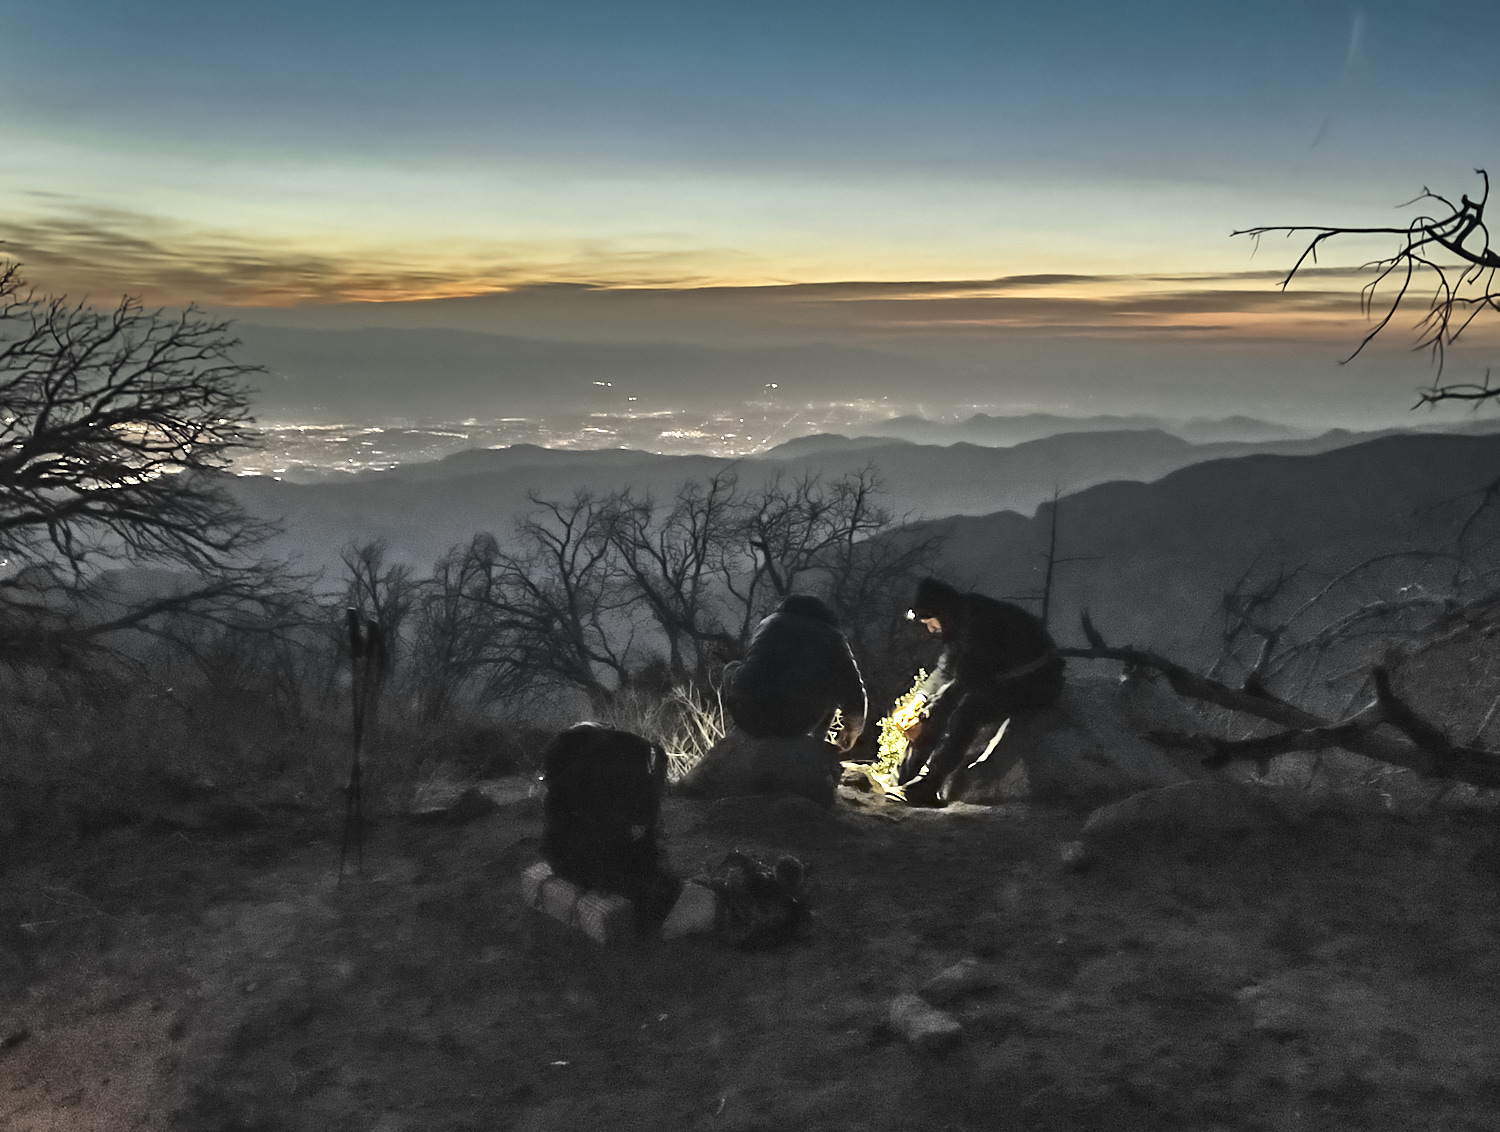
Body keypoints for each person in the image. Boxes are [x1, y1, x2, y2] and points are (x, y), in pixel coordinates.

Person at [893, 577, 1064, 805]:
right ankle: (903, 779)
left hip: (1037, 680)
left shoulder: (979, 621)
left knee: (968, 710)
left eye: (930, 622)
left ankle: (929, 782)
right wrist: (919, 701)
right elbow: (945, 670)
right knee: (933, 710)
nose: (930, 630)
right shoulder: (959, 620)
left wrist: (929, 711)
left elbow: (966, 680)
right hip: (1002, 675)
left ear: (942, 612)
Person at [723, 594, 867, 754]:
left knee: (732, 667)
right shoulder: (832, 635)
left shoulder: (766, 624)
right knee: (832, 682)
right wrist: (852, 731)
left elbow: (754, 670)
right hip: (797, 722)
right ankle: (816, 744)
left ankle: (737, 732)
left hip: (749, 716)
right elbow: (853, 690)